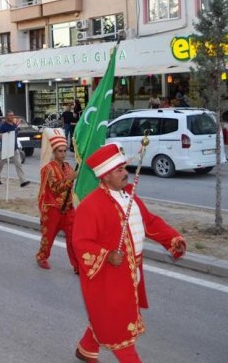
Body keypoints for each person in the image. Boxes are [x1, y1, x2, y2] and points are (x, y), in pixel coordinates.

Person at [73, 143, 186, 362]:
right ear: (105, 177)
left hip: (131, 271)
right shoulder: (91, 205)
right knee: (119, 329)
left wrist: (172, 239)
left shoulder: (129, 196)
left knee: (108, 317)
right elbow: (81, 243)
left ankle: (86, 349)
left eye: (124, 168)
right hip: (108, 275)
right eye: (119, 170)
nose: (126, 173)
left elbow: (149, 222)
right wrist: (106, 255)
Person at [35, 128, 78, 272]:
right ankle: (41, 257)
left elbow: (70, 188)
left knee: (74, 239)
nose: (64, 154)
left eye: (65, 151)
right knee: (49, 237)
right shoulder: (48, 169)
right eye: (60, 151)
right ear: (53, 152)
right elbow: (55, 189)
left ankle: (77, 265)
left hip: (68, 209)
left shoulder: (68, 166)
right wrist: (70, 179)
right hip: (53, 209)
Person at [0, 111, 30, 187]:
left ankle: (23, 181)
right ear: (6, 116)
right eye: (10, 115)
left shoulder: (14, 125)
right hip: (5, 148)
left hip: (14, 147)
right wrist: (6, 135)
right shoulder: (3, 125)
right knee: (1, 164)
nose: (12, 117)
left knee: (18, 164)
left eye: (13, 115)